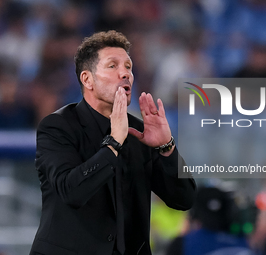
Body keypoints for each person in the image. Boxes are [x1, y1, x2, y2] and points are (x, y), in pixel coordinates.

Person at [29, 30, 196, 255]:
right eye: (112, 66)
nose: (125, 73)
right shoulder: (57, 127)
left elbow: (184, 199)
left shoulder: (139, 132)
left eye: (128, 66)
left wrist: (166, 147)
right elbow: (71, 192)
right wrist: (114, 143)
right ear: (87, 79)